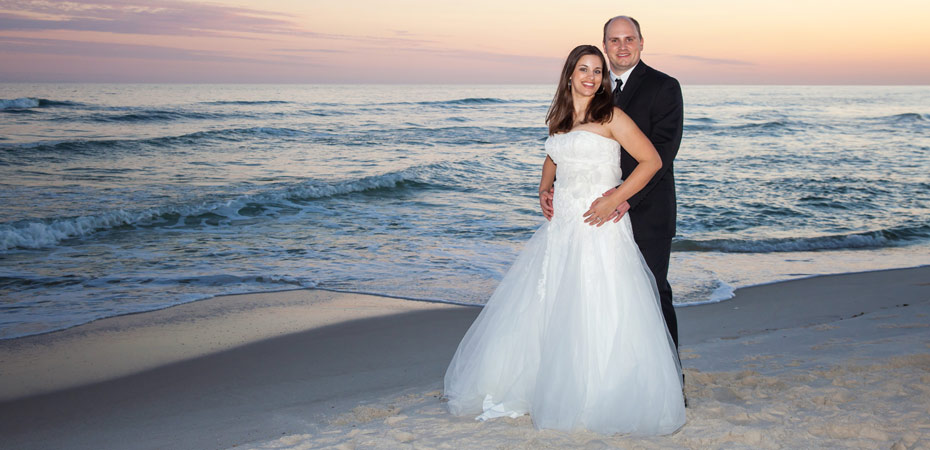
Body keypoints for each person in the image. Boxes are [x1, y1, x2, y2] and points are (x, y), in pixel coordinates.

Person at [443, 45, 686, 435]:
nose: (590, 76)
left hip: (598, 226)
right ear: (570, 74)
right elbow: (555, 154)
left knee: (597, 301)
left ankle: (600, 392)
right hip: (562, 228)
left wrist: (615, 197)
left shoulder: (612, 116)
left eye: (597, 70)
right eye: (583, 69)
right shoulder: (559, 117)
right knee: (553, 299)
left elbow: (652, 160)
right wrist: (544, 186)